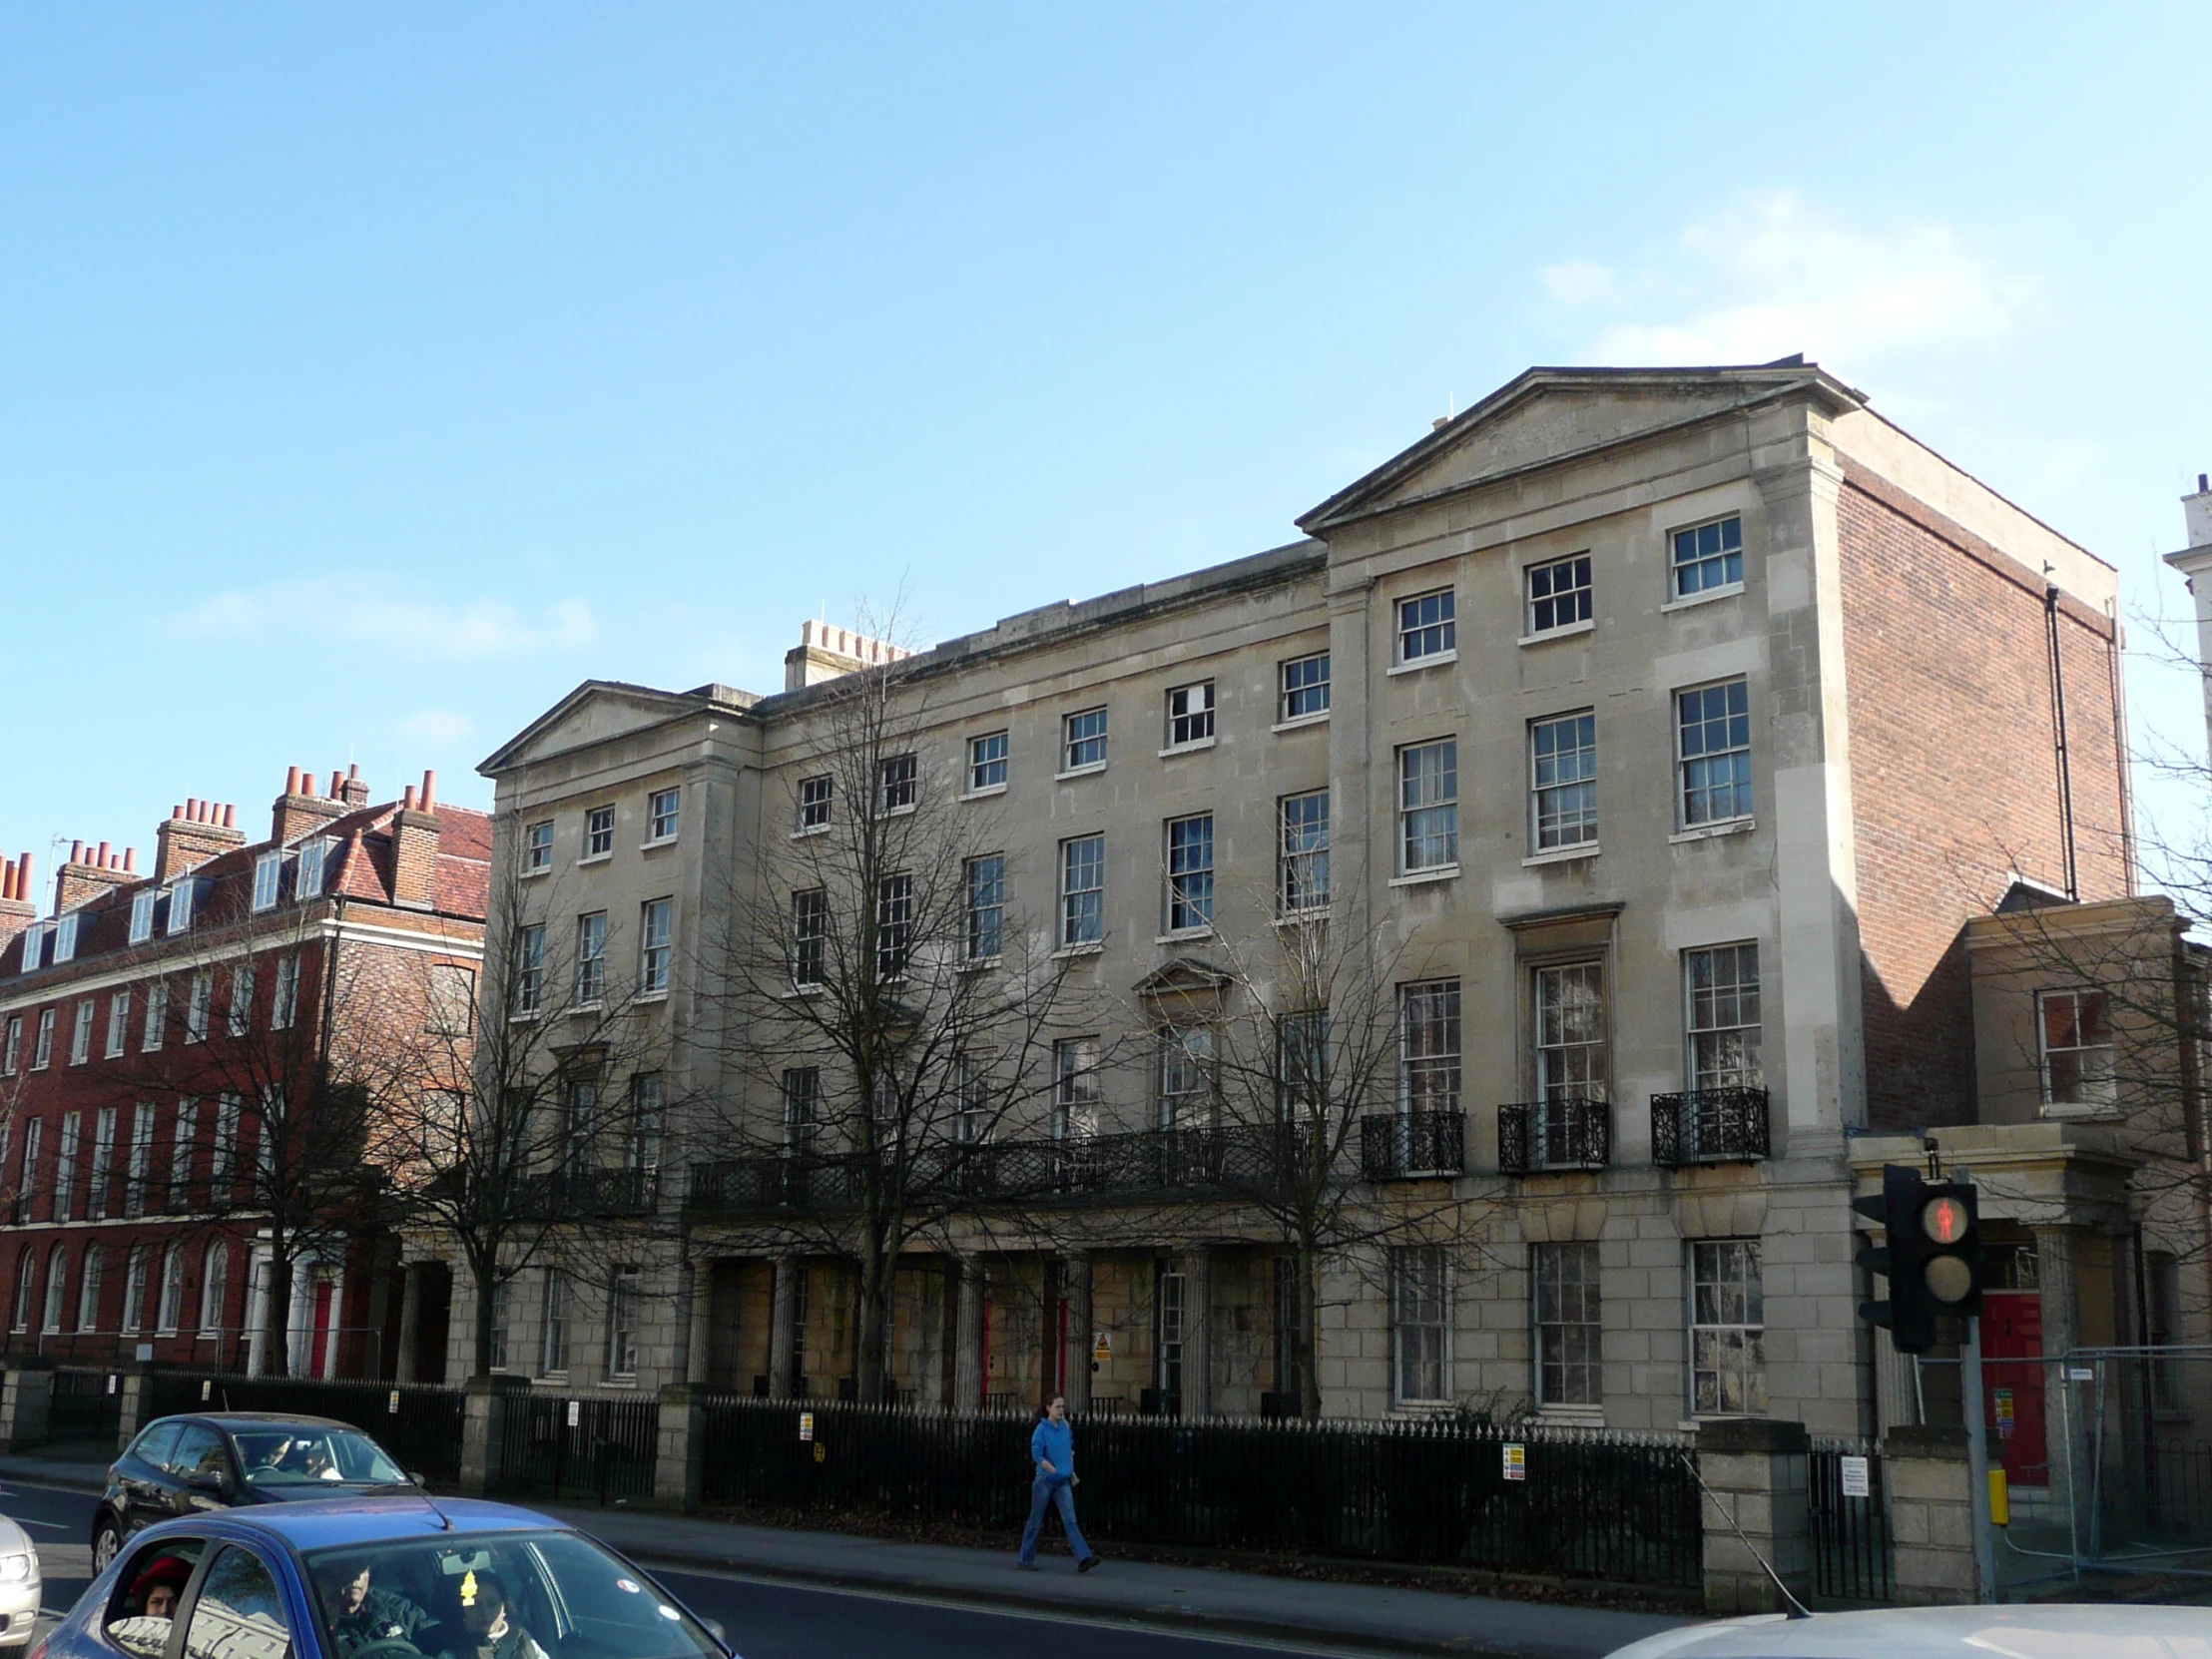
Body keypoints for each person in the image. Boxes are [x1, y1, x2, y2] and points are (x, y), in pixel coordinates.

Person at [1016, 1394, 1098, 1572]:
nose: (1061, 1410)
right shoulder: (1041, 1430)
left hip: (1063, 1482)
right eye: (1058, 1406)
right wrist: (1052, 1470)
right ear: (1048, 1408)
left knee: (1070, 1520)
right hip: (1044, 1481)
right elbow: (1038, 1455)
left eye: (1062, 1406)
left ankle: (1084, 1557)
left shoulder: (1065, 1427)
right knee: (1035, 1520)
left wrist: (1070, 1471)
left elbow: (1069, 1451)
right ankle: (1025, 1558)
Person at [318, 1559, 432, 1652]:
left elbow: (433, 1635)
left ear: (368, 1573)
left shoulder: (396, 1609)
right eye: (345, 1570)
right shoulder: (318, 1623)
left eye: (360, 1569)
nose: (355, 1578)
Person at [450, 1572, 547, 1659]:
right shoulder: (446, 1648)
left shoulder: (524, 1643)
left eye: (492, 1603)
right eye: (475, 1605)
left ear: (504, 1607)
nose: (485, 1612)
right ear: (462, 1610)